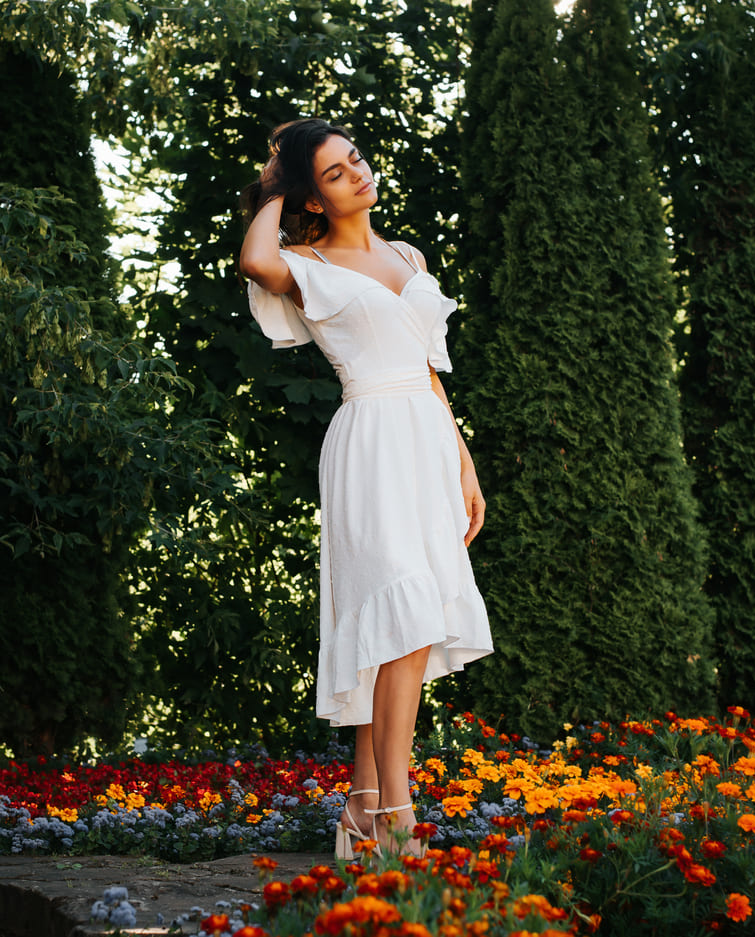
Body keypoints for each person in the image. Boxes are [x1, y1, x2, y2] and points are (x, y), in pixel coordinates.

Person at [239, 118, 493, 858]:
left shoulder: (405, 253)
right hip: (369, 443)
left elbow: (426, 370)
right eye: (335, 173)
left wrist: (463, 461)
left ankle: (357, 804)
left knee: (395, 626)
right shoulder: (302, 260)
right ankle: (397, 815)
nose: (358, 174)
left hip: (424, 438)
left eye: (356, 160)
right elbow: (255, 258)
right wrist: (273, 184)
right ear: (310, 199)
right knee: (401, 616)